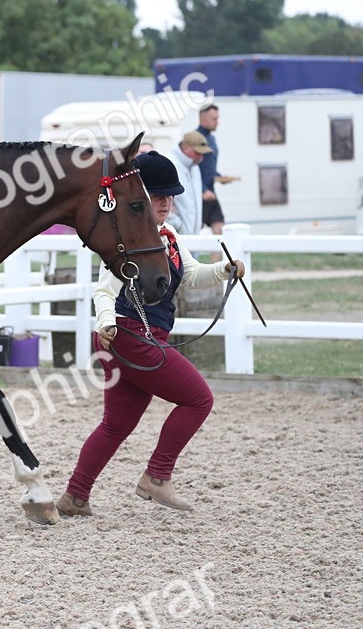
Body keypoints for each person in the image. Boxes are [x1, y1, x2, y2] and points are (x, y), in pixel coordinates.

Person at [57, 151, 245, 517]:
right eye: (158, 196)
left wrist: (225, 270)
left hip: (144, 336)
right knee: (199, 400)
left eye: (170, 197)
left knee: (115, 426)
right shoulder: (127, 235)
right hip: (127, 335)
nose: (166, 203)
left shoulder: (169, 236)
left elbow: (192, 276)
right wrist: (106, 321)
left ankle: (75, 496)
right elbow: (103, 289)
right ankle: (157, 475)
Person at [196, 104, 239, 262]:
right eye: (214, 119)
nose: (217, 122)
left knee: (219, 229)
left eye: (218, 118)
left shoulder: (212, 139)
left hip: (211, 192)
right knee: (191, 232)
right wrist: (201, 190)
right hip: (197, 195)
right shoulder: (195, 139)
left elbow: (209, 167)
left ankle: (216, 272)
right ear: (203, 118)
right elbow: (190, 168)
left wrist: (220, 177)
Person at [165, 131, 212, 236]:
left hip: (192, 237)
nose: (201, 157)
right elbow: (159, 198)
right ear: (186, 147)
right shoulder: (169, 163)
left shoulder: (194, 167)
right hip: (175, 237)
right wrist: (176, 225)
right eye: (198, 152)